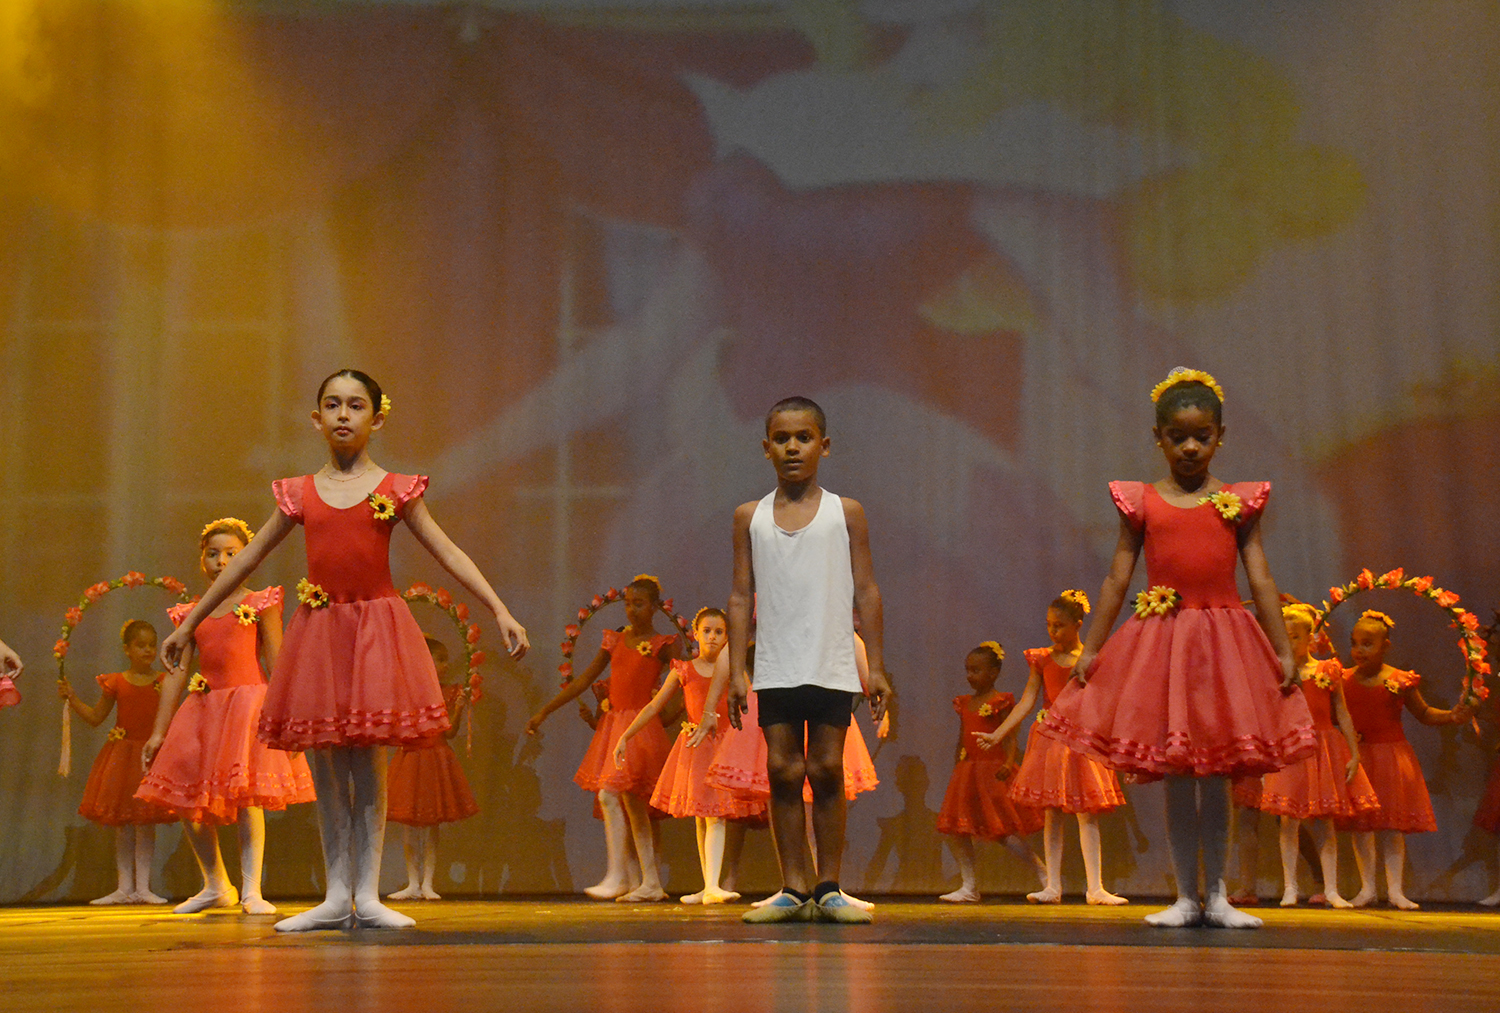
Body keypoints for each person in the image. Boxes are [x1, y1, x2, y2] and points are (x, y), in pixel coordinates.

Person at [158, 370, 528, 931]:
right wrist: (191, 624)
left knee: (370, 765)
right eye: (332, 405)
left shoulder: (396, 489)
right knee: (331, 768)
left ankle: (369, 894)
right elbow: (247, 560)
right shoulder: (299, 492)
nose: (343, 415)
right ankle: (335, 894)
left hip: (376, 633)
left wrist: (498, 607)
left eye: (356, 406)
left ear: (377, 418)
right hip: (322, 634)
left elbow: (447, 551)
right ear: (317, 419)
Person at [1037, 367, 1316, 929]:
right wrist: (1091, 649)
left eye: (1202, 436)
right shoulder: (1141, 502)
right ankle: (1186, 896)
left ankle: (1218, 896)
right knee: (1180, 774)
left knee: (1216, 776)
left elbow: (1259, 579)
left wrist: (1284, 651)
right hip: (1162, 646)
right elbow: (1118, 578)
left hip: (1223, 647)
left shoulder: (1238, 502)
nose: (1190, 447)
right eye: (1178, 437)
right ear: (1158, 437)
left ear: (1220, 436)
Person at [725, 396, 892, 924]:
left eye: (803, 437)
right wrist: (735, 672)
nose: (792, 447)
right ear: (765, 448)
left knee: (824, 769)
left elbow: (866, 590)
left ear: (824, 445)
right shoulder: (749, 517)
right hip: (776, 662)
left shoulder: (845, 512)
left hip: (829, 658)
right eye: (781, 438)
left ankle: (829, 886)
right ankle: (792, 887)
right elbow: (738, 596)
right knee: (781, 768)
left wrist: (878, 667)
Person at [138, 518, 316, 916]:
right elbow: (176, 672)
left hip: (248, 706)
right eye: (213, 553)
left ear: (247, 557)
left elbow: (277, 659)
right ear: (202, 559)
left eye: (232, 553)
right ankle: (216, 883)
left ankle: (252, 889)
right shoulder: (190, 614)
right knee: (185, 798)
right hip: (204, 708)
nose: (222, 561)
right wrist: (158, 733)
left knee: (247, 796)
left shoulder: (260, 602)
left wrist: (287, 715)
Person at [526, 575, 680, 902]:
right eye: (627, 603)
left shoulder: (662, 644)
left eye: (639, 604)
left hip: (639, 729)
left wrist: (679, 716)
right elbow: (582, 681)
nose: (631, 610)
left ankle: (621, 876)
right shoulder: (614, 641)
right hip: (614, 729)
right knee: (626, 804)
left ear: (654, 607)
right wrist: (545, 711)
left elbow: (687, 681)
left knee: (616, 797)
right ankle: (644, 880)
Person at [987, 591, 1128, 905]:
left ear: (1078, 625)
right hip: (1049, 741)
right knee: (1052, 813)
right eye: (1050, 625)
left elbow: (1104, 702)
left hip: (1081, 740)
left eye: (1060, 626)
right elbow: (1027, 702)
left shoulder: (1089, 660)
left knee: (1086, 813)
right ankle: (1053, 885)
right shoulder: (1042, 659)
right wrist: (999, 733)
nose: (1053, 631)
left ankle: (1096, 888)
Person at [615, 607, 759, 903]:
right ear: (696, 633)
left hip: (724, 747)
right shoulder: (684, 669)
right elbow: (654, 706)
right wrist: (626, 735)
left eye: (719, 632)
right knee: (702, 817)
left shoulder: (733, 669)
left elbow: (751, 702)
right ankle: (708, 885)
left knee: (717, 816)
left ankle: (712, 886)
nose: (713, 638)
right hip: (696, 746)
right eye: (707, 631)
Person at [1338, 610, 1468, 909]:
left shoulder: (1398, 680)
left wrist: (1451, 716)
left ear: (1385, 646)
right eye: (1355, 643)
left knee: (1392, 827)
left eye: (1368, 643)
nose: (1359, 650)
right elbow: (1335, 718)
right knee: (1362, 825)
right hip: (1359, 758)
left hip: (1392, 758)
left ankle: (1395, 890)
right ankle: (1367, 888)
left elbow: (1423, 713)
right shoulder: (1342, 680)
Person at [1251, 603, 1378, 907]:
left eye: (1295, 636)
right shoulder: (1276, 673)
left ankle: (1331, 889)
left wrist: (1354, 754)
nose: (1289, 642)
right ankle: (1290, 888)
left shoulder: (1327, 670)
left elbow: (1342, 714)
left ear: (1310, 638)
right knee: (1288, 822)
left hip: (1324, 748)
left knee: (1325, 821)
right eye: (1284, 636)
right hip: (1292, 749)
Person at [60, 620, 175, 903]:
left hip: (150, 758)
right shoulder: (116, 682)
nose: (147, 650)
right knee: (123, 824)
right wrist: (73, 699)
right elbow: (96, 718)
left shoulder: (164, 682)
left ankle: (144, 888)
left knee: (145, 822)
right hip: (122, 760)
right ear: (127, 649)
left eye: (152, 644)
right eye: (141, 645)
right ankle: (125, 887)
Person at [935, 641, 1045, 902]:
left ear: (993, 673)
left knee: (1003, 832)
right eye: (968, 670)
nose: (970, 676)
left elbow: (1009, 736)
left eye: (976, 670)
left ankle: (1043, 874)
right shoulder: (965, 703)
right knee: (959, 830)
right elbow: (962, 739)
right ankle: (969, 885)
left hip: (993, 771)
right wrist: (957, 767)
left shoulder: (1000, 701)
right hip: (968, 772)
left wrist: (1008, 763)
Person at [385, 636, 479, 901]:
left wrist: (458, 709)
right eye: (441, 659)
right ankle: (412, 882)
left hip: (435, 758)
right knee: (409, 825)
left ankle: (428, 882)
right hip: (412, 759)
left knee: (431, 823)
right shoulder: (407, 693)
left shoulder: (449, 692)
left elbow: (450, 733)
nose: (446, 665)